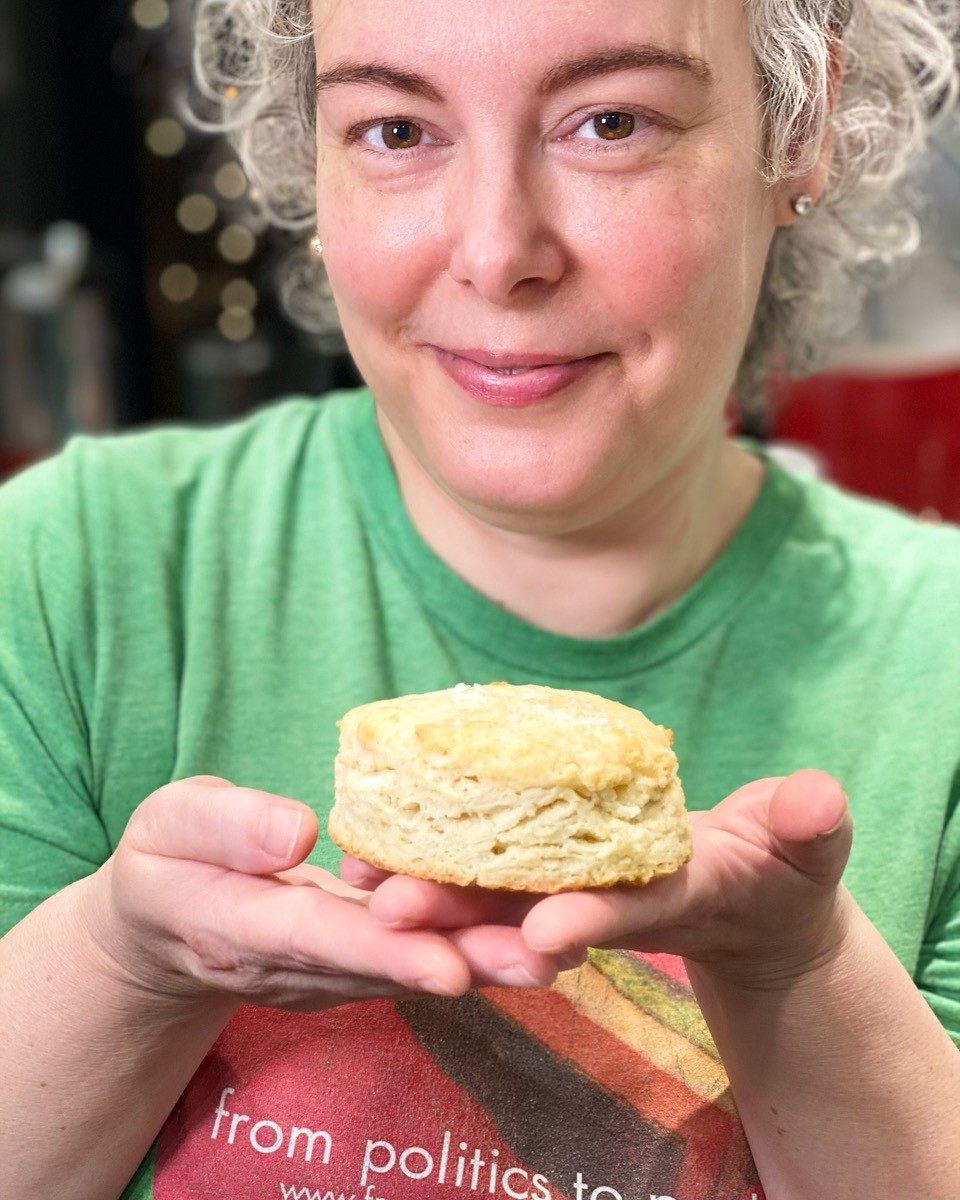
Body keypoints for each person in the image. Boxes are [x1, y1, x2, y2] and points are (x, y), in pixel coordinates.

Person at [1, 0, 959, 1197]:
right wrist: (125, 965)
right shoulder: (63, 575)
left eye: (610, 122)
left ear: (798, 124)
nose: (498, 251)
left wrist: (797, 971)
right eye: (398, 129)